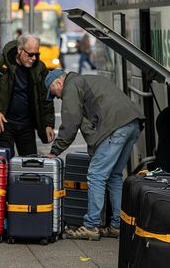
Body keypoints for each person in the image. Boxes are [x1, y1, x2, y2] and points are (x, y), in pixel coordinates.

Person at [45, 69, 144, 240]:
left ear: (59, 83)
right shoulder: (86, 80)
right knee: (114, 175)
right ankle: (118, 225)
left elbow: (70, 124)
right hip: (132, 123)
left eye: (55, 94)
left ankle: (91, 225)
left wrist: (54, 151)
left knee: (96, 175)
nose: (58, 98)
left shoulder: (71, 88)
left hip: (115, 127)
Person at [0, 33, 55, 156]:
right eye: (30, 54)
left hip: (27, 126)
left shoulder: (39, 68)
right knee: (5, 165)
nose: (33, 58)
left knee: (30, 165)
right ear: (19, 50)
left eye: (36, 54)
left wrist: (48, 124)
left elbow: (45, 98)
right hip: (3, 125)